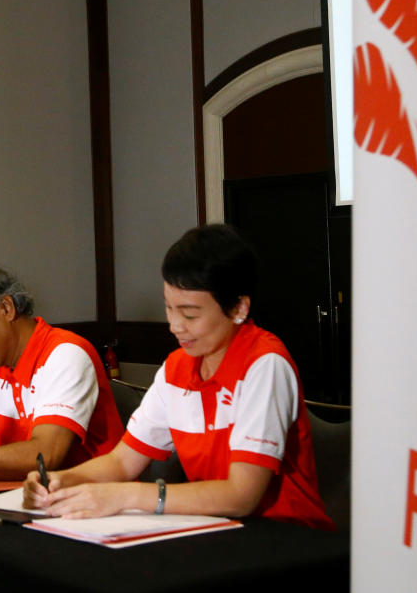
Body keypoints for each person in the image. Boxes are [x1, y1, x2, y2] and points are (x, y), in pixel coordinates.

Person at [22, 224, 333, 530]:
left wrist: (128, 494)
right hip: (216, 530)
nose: (175, 325)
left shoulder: (265, 364)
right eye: (169, 308)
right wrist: (64, 479)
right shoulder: (177, 368)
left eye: (190, 314)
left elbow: (242, 495)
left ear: (239, 307)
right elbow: (122, 461)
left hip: (285, 535)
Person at [0, 264, 124, 480]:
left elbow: (46, 455)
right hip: (32, 495)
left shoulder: (65, 354)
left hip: (94, 499)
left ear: (6, 308)